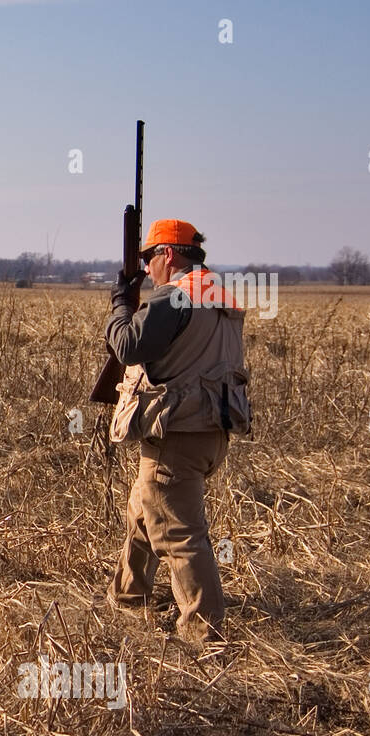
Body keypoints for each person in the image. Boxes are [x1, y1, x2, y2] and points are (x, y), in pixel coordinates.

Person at [104, 219, 252, 645]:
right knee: (143, 509)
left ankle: (203, 636)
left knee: (178, 533)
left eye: (150, 258)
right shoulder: (219, 294)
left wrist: (120, 302)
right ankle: (129, 598)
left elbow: (129, 346)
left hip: (177, 434)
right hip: (210, 431)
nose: (147, 269)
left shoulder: (175, 296)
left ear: (169, 254)